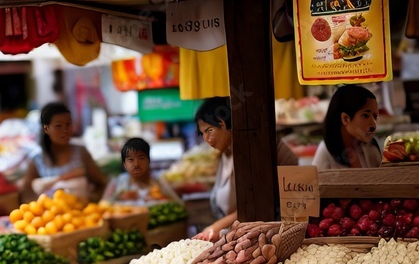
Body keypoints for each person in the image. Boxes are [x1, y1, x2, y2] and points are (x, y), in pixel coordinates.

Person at [193, 97, 300, 241]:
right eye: (203, 133)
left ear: (223, 123)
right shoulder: (227, 152)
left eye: (209, 130)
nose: (206, 139)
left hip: (272, 235)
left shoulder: (253, 151)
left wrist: (215, 228)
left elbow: (255, 205)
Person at [23, 102, 107, 201]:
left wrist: (88, 199)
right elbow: (26, 193)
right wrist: (42, 206)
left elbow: (100, 184)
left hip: (80, 213)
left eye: (68, 124)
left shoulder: (81, 153)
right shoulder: (38, 159)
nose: (65, 130)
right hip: (52, 214)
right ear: (46, 129)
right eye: (59, 126)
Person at [312, 85, 382, 170]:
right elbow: (314, 182)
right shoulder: (325, 152)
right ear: (345, 118)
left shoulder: (370, 148)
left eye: (375, 117)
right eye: (365, 115)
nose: (373, 124)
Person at [103, 138, 181, 205]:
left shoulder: (159, 182)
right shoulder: (118, 182)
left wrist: (158, 199)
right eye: (131, 160)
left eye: (141, 158)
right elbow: (103, 205)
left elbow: (178, 204)